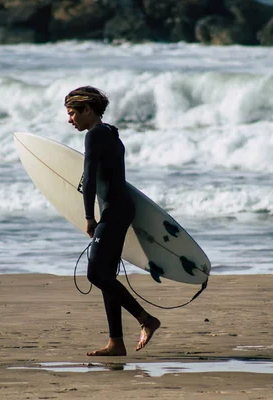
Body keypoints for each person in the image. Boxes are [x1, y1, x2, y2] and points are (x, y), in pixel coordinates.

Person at [65, 86, 161, 356]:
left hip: (113, 211)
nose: (69, 119)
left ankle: (146, 319)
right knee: (106, 275)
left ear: (87, 110)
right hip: (119, 208)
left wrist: (88, 217)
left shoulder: (95, 136)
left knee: (95, 274)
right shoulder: (110, 132)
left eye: (73, 113)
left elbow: (89, 180)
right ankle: (116, 342)